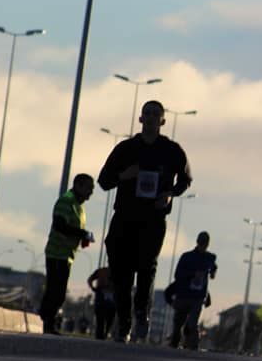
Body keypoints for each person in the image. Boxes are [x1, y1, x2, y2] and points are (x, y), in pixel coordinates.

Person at [98, 100, 192, 343]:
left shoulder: (172, 151)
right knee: (121, 269)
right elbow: (104, 181)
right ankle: (124, 322)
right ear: (140, 119)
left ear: (162, 121)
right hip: (125, 216)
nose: (150, 118)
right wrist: (124, 175)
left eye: (155, 114)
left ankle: (141, 313)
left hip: (153, 218)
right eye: (146, 113)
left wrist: (169, 194)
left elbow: (185, 180)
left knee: (145, 266)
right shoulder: (126, 149)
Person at [39, 174, 96, 335]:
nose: (91, 192)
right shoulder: (66, 201)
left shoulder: (79, 207)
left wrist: (83, 237)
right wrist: (82, 233)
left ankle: (48, 319)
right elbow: (60, 226)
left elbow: (73, 229)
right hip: (57, 253)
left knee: (58, 291)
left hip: (67, 255)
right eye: (88, 188)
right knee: (55, 291)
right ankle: (47, 320)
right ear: (78, 185)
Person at [168, 231, 217, 350]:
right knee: (178, 323)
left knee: (192, 323)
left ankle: (193, 346)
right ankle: (175, 343)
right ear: (198, 242)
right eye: (202, 243)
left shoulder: (209, 258)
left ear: (207, 244)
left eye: (204, 244)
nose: (203, 246)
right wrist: (192, 275)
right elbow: (177, 275)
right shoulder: (187, 257)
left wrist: (212, 273)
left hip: (197, 297)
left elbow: (213, 268)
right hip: (184, 294)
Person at [87, 266, 116, 340]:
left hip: (111, 297)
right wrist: (93, 287)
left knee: (109, 317)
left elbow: (90, 279)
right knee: (101, 317)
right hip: (101, 295)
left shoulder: (119, 273)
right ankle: (100, 334)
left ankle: (104, 333)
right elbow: (90, 279)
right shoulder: (101, 271)